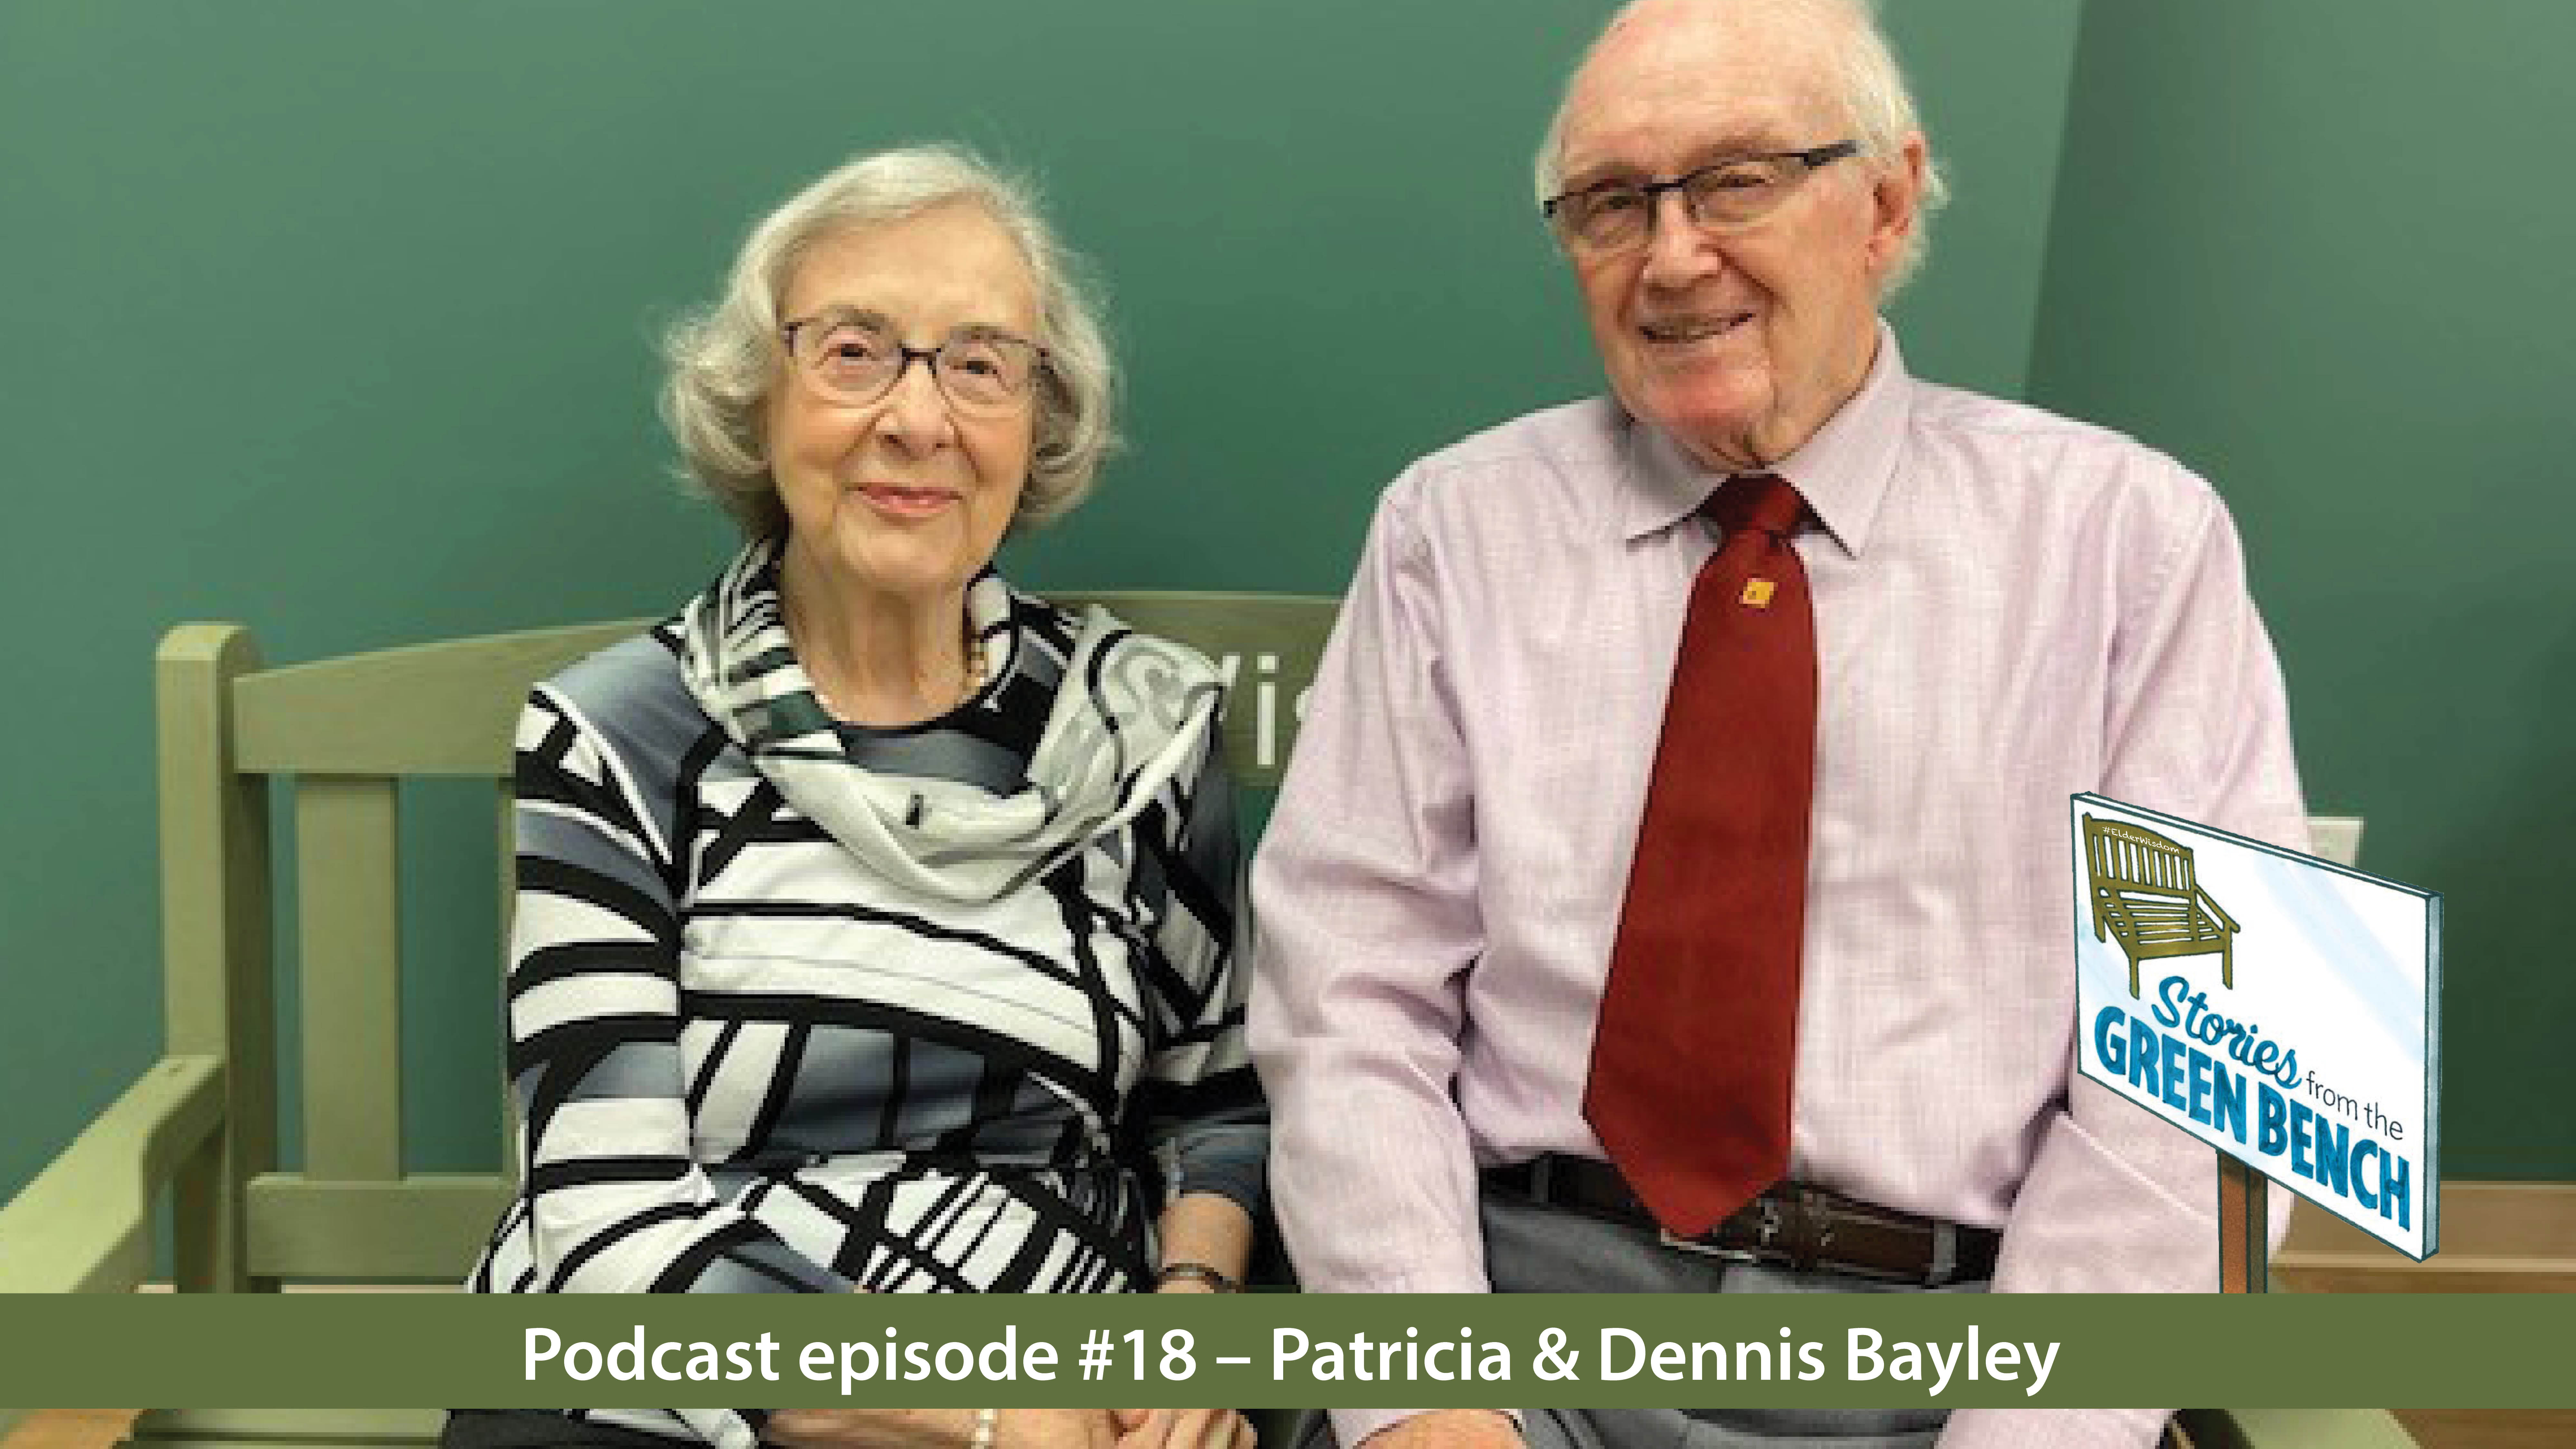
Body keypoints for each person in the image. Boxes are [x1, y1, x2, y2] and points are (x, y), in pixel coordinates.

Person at [1247, 2, 2307, 1447]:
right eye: (1613, 203)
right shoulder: (1453, 529)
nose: (1673, 255)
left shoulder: (2131, 543)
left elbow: (2208, 1079)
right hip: (1517, 1324)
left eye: (1738, 180)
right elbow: (1348, 995)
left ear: (1880, 202)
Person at [450, 145, 1263, 1449]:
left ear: (1034, 425)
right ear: (757, 404)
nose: (919, 420)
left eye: (980, 364)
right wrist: (978, 1416)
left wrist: (1190, 1322)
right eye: (854, 352)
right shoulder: (618, 733)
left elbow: (1213, 1105)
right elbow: (601, 1205)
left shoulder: (1140, 730)